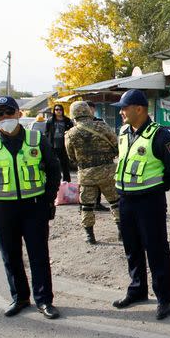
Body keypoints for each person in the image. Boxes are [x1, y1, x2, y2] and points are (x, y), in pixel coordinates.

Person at [0, 96, 62, 319]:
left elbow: (54, 171)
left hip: (34, 207)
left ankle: (44, 301)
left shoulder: (37, 139)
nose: (5, 118)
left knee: (39, 255)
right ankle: (20, 297)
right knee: (10, 255)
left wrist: (48, 200)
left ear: (19, 114)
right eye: (0, 114)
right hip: (2, 210)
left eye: (10, 112)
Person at [111, 89, 170, 321]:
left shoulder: (160, 135)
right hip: (126, 201)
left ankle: (164, 298)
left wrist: (155, 191)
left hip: (149, 202)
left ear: (139, 109)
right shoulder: (123, 132)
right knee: (132, 248)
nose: (121, 112)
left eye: (124, 108)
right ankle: (137, 290)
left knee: (156, 249)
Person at [65, 101, 120, 244]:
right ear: (89, 112)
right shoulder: (102, 126)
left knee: (87, 206)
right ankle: (122, 231)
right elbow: (116, 143)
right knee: (115, 202)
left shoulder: (71, 134)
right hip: (107, 171)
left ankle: (90, 235)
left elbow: (71, 156)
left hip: (86, 174)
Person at [86, 101, 109, 211]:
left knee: (99, 181)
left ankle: (97, 202)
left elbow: (107, 136)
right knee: (85, 183)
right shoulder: (79, 123)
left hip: (99, 155)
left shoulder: (99, 122)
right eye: (87, 109)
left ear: (94, 110)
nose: (90, 111)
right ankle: (85, 205)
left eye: (91, 109)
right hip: (85, 158)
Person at [45, 104, 74, 182]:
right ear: (54, 111)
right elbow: (47, 132)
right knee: (53, 164)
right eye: (56, 109)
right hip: (53, 146)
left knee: (65, 164)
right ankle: (54, 180)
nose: (58, 111)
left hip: (64, 145)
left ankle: (67, 181)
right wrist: (48, 143)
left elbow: (72, 131)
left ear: (62, 111)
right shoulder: (50, 120)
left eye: (60, 109)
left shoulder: (67, 120)